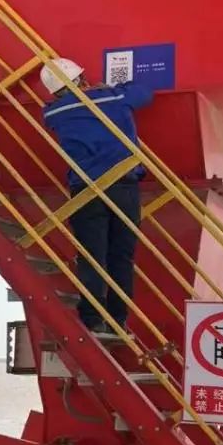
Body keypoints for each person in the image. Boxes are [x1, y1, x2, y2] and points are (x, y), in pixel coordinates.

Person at [40, 57, 154, 333]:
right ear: (81, 79)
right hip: (123, 185)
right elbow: (144, 92)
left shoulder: (54, 113)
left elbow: (52, 111)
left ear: (54, 91)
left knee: (92, 257)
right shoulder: (111, 98)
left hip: (85, 191)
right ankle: (118, 321)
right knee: (121, 257)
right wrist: (108, 88)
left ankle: (92, 320)